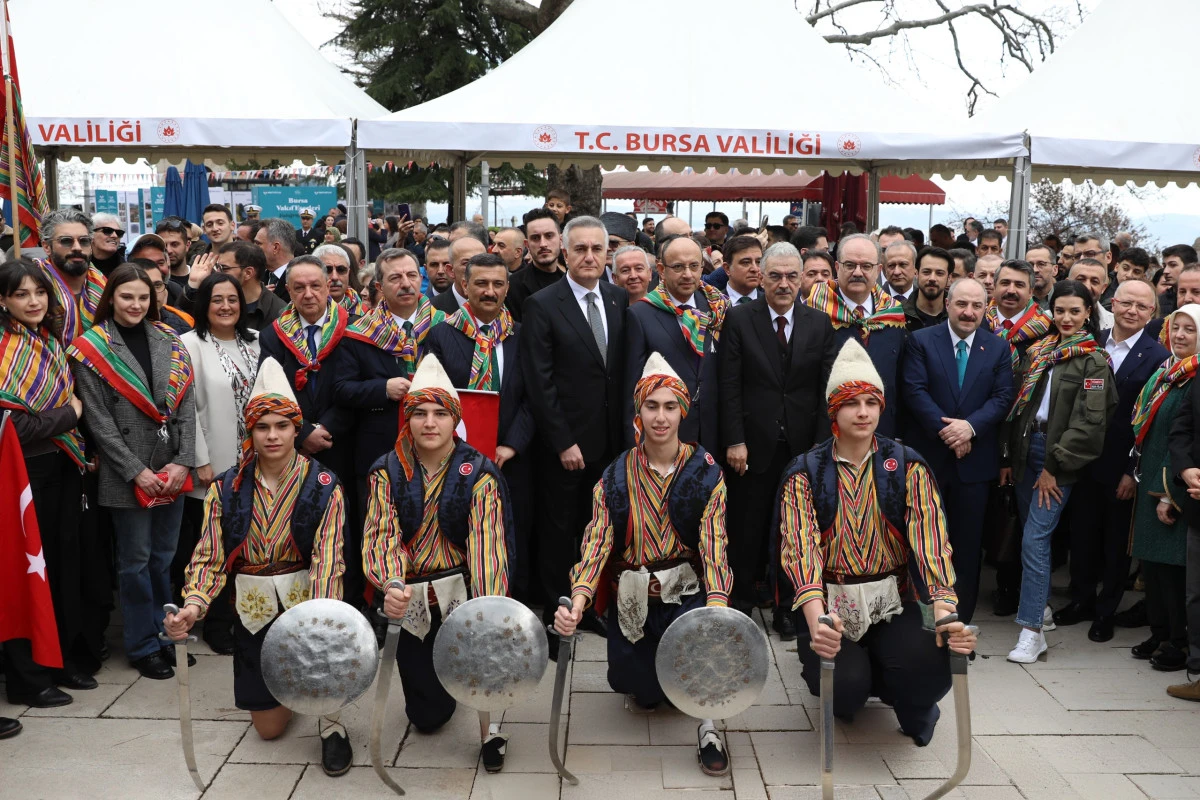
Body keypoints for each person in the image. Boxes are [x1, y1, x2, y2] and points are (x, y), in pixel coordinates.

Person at [777, 338, 977, 747]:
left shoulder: (905, 465)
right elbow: (800, 551)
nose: (863, 412)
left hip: (894, 598)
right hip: (833, 601)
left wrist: (944, 611)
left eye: (871, 401)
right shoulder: (806, 472)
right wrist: (818, 625)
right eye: (852, 403)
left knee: (931, 665)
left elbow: (930, 542)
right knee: (845, 691)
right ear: (834, 409)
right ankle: (850, 679)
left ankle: (907, 696)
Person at [162, 357, 351, 776]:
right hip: (252, 609)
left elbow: (329, 559)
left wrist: (321, 619)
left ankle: (331, 721)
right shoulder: (227, 487)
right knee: (267, 729)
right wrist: (193, 605)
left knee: (320, 672)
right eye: (262, 426)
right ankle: (287, 689)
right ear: (250, 431)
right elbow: (209, 555)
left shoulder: (324, 485)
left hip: (308, 602)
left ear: (296, 429)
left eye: (282, 426)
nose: (272, 435)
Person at [553, 353, 733, 776]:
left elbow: (715, 544)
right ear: (639, 412)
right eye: (651, 406)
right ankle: (653, 677)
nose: (661, 417)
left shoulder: (707, 473)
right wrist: (578, 602)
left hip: (686, 594)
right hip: (633, 598)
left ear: (683, 411)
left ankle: (708, 727)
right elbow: (597, 541)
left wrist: (719, 605)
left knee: (698, 665)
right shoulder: (615, 475)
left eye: (670, 406)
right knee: (640, 691)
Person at [361, 353, 513, 772]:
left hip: (461, 593)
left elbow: (488, 544)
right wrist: (390, 583)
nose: (430, 423)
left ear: (454, 420)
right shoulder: (386, 472)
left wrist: (487, 607)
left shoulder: (478, 473)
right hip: (410, 598)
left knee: (482, 660)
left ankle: (491, 729)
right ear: (407, 419)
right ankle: (440, 691)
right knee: (427, 718)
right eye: (420, 414)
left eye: (440, 414)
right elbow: (379, 534)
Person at [68, 263, 197, 680]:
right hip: (128, 472)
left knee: (163, 558)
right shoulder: (93, 347)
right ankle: (143, 645)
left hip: (171, 467)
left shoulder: (169, 339)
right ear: (112, 299)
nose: (136, 304)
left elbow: (186, 406)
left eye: (144, 297)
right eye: (127, 297)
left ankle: (167, 633)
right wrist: (135, 470)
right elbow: (99, 422)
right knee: (135, 561)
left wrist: (184, 460)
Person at [521, 215, 627, 650]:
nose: (588, 257)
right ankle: (558, 609)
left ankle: (593, 607)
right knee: (560, 528)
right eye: (579, 249)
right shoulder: (544, 304)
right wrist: (563, 440)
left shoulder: (620, 300)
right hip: (565, 444)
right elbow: (539, 382)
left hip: (612, 443)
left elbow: (620, 374)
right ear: (565, 253)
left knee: (598, 527)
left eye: (596, 249)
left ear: (607, 255)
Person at [719, 241, 836, 633]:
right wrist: (735, 439)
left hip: (803, 446)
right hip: (751, 446)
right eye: (775, 275)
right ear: (761, 278)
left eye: (791, 275)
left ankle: (788, 606)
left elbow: (825, 390)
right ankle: (743, 602)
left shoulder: (819, 323)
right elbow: (729, 385)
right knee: (747, 526)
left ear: (803, 278)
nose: (783, 283)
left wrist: (822, 448)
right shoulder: (739, 319)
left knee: (795, 529)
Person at [999, 280, 1116, 663]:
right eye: (1060, 310)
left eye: (1075, 311)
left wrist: (1053, 467)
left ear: (1088, 314)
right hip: (1025, 451)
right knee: (1026, 536)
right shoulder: (1041, 351)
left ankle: (1031, 630)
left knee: (1036, 540)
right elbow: (1020, 407)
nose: (1066, 318)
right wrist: (1009, 457)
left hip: (1057, 459)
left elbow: (1090, 425)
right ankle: (1042, 610)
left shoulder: (1093, 360)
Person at [0, 258, 93, 708]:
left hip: (63, 468)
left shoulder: (49, 341)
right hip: (23, 476)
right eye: (21, 294)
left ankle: (59, 662)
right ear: (4, 301)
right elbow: (13, 428)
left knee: (62, 568)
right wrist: (69, 416)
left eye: (39, 292)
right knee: (28, 572)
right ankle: (27, 676)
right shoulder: (3, 349)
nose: (33, 301)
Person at [1056, 279, 1166, 641]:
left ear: (1152, 313)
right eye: (1126, 303)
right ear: (1112, 303)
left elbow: (1150, 424)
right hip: (1083, 463)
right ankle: (1082, 600)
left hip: (1122, 468)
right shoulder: (1091, 343)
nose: (1132, 311)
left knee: (1116, 545)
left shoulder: (1158, 357)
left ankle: (1106, 610)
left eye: (1142, 307)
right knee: (1082, 537)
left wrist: (1132, 473)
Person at [900, 278, 1013, 622]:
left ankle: (957, 625)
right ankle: (921, 621)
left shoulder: (997, 348)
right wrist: (950, 431)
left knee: (965, 549)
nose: (969, 312)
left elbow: (1003, 397)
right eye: (962, 304)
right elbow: (914, 391)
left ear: (985, 308)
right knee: (924, 544)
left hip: (974, 466)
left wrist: (970, 428)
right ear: (948, 304)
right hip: (929, 461)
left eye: (977, 306)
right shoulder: (920, 341)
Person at [426, 253, 534, 598]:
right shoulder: (440, 335)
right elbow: (435, 398)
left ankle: (510, 600)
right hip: (454, 458)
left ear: (507, 288)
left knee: (510, 530)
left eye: (498, 284)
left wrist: (512, 445)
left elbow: (536, 397)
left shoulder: (522, 334)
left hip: (510, 455)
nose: (490, 291)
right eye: (481, 284)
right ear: (464, 286)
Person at [257, 255, 355, 593]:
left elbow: (356, 387)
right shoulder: (273, 335)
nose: (309, 294)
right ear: (288, 291)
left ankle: (347, 597)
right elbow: (272, 390)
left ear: (330, 286)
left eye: (316, 286)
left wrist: (327, 426)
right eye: (299, 288)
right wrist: (303, 432)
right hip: (293, 446)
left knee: (345, 525)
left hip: (343, 441)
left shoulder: (353, 328)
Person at [176, 273, 262, 654]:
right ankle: (214, 622)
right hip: (214, 463)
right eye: (217, 300)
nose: (226, 306)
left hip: (260, 461)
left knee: (251, 541)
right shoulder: (189, 345)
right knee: (214, 544)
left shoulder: (258, 342)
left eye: (232, 299)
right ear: (203, 305)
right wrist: (200, 459)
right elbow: (186, 408)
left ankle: (247, 616)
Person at [333, 249, 432, 543]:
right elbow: (341, 389)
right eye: (396, 278)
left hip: (434, 454)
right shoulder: (358, 334)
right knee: (379, 538)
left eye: (412, 275)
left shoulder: (444, 326)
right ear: (379, 287)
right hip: (378, 455)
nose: (406, 284)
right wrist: (382, 389)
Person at [1125, 305, 1200, 673]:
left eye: (1191, 330)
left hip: (1174, 486)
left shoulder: (1194, 378)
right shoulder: (1165, 371)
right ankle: (1160, 632)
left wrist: (1170, 492)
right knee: (1151, 566)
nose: (1182, 335)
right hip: (1149, 476)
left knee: (1173, 570)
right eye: (1177, 328)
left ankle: (1177, 641)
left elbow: (1186, 440)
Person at [625, 234, 726, 453]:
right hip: (663, 437)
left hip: (713, 432)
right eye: (678, 267)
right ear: (661, 270)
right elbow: (631, 388)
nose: (688, 274)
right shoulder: (640, 314)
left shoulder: (717, 309)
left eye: (694, 266)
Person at [807, 234, 908, 437]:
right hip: (826, 435)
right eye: (850, 265)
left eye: (866, 266)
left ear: (879, 270)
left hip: (883, 434)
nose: (858, 272)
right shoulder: (812, 313)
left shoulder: (893, 314)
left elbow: (899, 380)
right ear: (837, 267)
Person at [39, 209, 107, 345]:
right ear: (47, 247)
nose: (77, 248)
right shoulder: (32, 284)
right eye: (66, 241)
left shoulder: (106, 285)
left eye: (84, 241)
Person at [505, 208, 564, 321]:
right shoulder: (512, 287)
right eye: (535, 238)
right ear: (527, 244)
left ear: (560, 240)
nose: (543, 244)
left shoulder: (572, 283)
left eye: (549, 236)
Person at [903, 247, 952, 331]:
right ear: (916, 274)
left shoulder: (957, 315)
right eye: (926, 272)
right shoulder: (897, 314)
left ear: (949, 278)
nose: (932, 278)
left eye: (939, 273)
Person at [432, 236, 483, 315]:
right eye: (466, 263)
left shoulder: (500, 307)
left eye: (482, 263)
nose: (477, 270)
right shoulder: (432, 310)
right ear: (450, 270)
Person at [313, 243, 364, 317]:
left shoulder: (366, 315)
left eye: (341, 270)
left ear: (348, 273)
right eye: (327, 270)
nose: (334, 277)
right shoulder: (297, 313)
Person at [255, 219, 300, 301]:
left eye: (258, 244)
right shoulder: (257, 278)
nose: (254, 248)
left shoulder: (301, 279)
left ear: (275, 247)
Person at [1068, 258, 1115, 331]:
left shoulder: (1114, 324)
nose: (1087, 287)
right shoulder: (1047, 319)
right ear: (1067, 283)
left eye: (1094, 282)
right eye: (1081, 280)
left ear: (1103, 288)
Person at [1029, 243, 1058, 310]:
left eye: (1041, 264)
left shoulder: (1064, 299)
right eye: (1030, 265)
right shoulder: (1018, 300)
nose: (1035, 270)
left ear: (1055, 269)